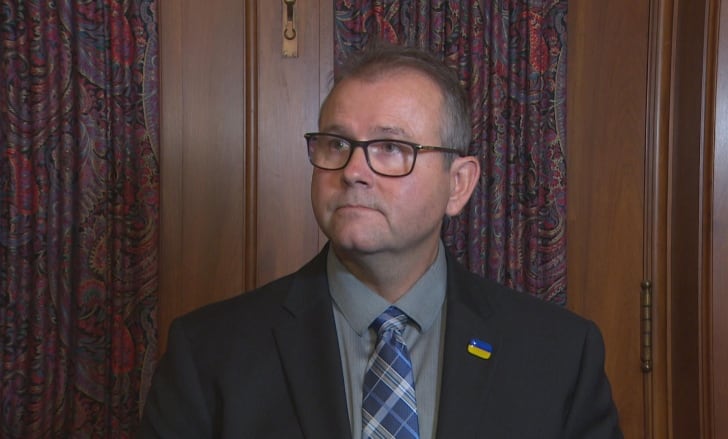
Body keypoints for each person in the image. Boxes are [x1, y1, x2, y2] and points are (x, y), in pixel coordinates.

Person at [138, 43, 623, 439]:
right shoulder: (207, 354)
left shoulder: (559, 355)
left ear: (459, 184)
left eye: (391, 148)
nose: (352, 171)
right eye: (336, 144)